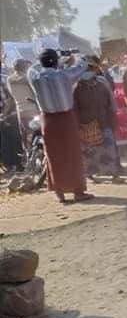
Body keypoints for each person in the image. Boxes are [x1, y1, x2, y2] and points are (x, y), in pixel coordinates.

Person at [27, 49, 92, 203]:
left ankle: (59, 192)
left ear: (41, 62)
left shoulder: (35, 78)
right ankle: (78, 192)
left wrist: (51, 58)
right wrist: (74, 55)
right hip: (66, 118)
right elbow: (82, 65)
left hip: (48, 121)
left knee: (53, 156)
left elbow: (31, 69)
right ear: (56, 62)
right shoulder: (65, 75)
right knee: (73, 155)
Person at [74, 57, 121, 181]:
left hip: (104, 121)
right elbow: (75, 108)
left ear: (95, 69)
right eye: (86, 68)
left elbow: (111, 102)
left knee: (109, 148)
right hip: (86, 124)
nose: (88, 71)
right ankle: (90, 174)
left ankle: (114, 174)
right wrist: (78, 125)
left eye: (90, 68)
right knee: (89, 152)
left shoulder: (102, 83)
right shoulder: (77, 87)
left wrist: (113, 118)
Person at [7, 60, 39, 149]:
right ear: (25, 67)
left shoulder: (9, 80)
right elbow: (36, 93)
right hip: (33, 110)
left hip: (20, 111)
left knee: (25, 136)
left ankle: (28, 155)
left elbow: (12, 97)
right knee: (37, 134)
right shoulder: (28, 78)